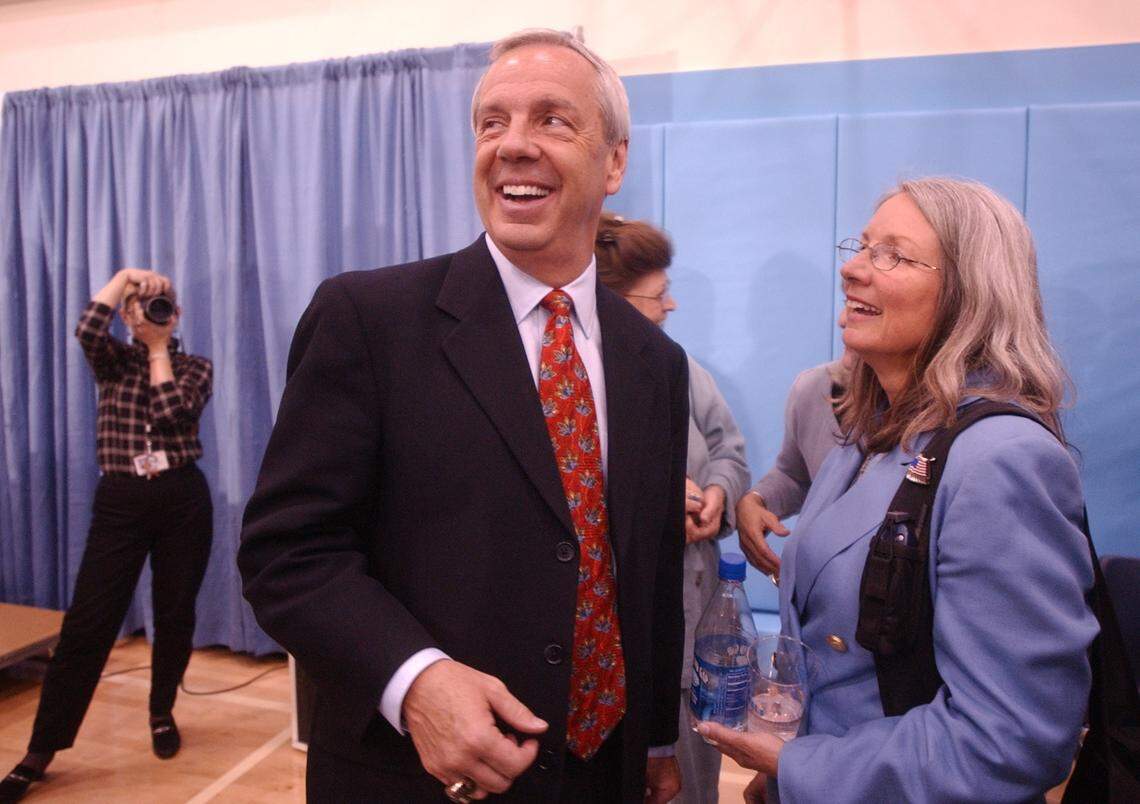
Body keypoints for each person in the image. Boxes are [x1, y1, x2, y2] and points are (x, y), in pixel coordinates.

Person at [238, 30, 688, 803]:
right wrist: (414, 682)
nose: (513, 146)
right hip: (417, 777)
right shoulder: (369, 320)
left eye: (552, 120)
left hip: (602, 775)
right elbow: (287, 556)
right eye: (492, 122)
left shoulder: (654, 363)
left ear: (614, 161)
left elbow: (645, 571)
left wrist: (651, 736)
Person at [697, 178, 1099, 803]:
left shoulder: (1002, 460)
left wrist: (806, 767)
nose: (853, 269)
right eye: (860, 247)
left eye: (893, 255)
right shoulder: (870, 434)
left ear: (968, 295)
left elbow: (1013, 738)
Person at [0, 269, 213, 803]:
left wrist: (159, 349)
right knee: (87, 624)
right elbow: (87, 329)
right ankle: (40, 751)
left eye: (164, 304)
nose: (154, 311)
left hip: (182, 498)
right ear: (127, 315)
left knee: (175, 613)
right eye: (144, 305)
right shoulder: (111, 362)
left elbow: (171, 415)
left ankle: (161, 712)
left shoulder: (195, 367)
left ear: (177, 314)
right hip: (121, 499)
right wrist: (125, 279)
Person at [594, 211, 750, 804]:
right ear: (612, 302)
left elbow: (730, 453)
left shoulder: (682, 370)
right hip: (616, 638)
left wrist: (720, 496)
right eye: (659, 295)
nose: (672, 307)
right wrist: (656, 506)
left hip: (694, 621)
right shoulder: (569, 393)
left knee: (692, 775)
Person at [735, 351, 853, 581]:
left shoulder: (939, 413)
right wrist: (754, 501)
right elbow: (795, 475)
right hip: (818, 593)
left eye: (865, 311)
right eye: (848, 312)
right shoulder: (813, 388)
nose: (844, 322)